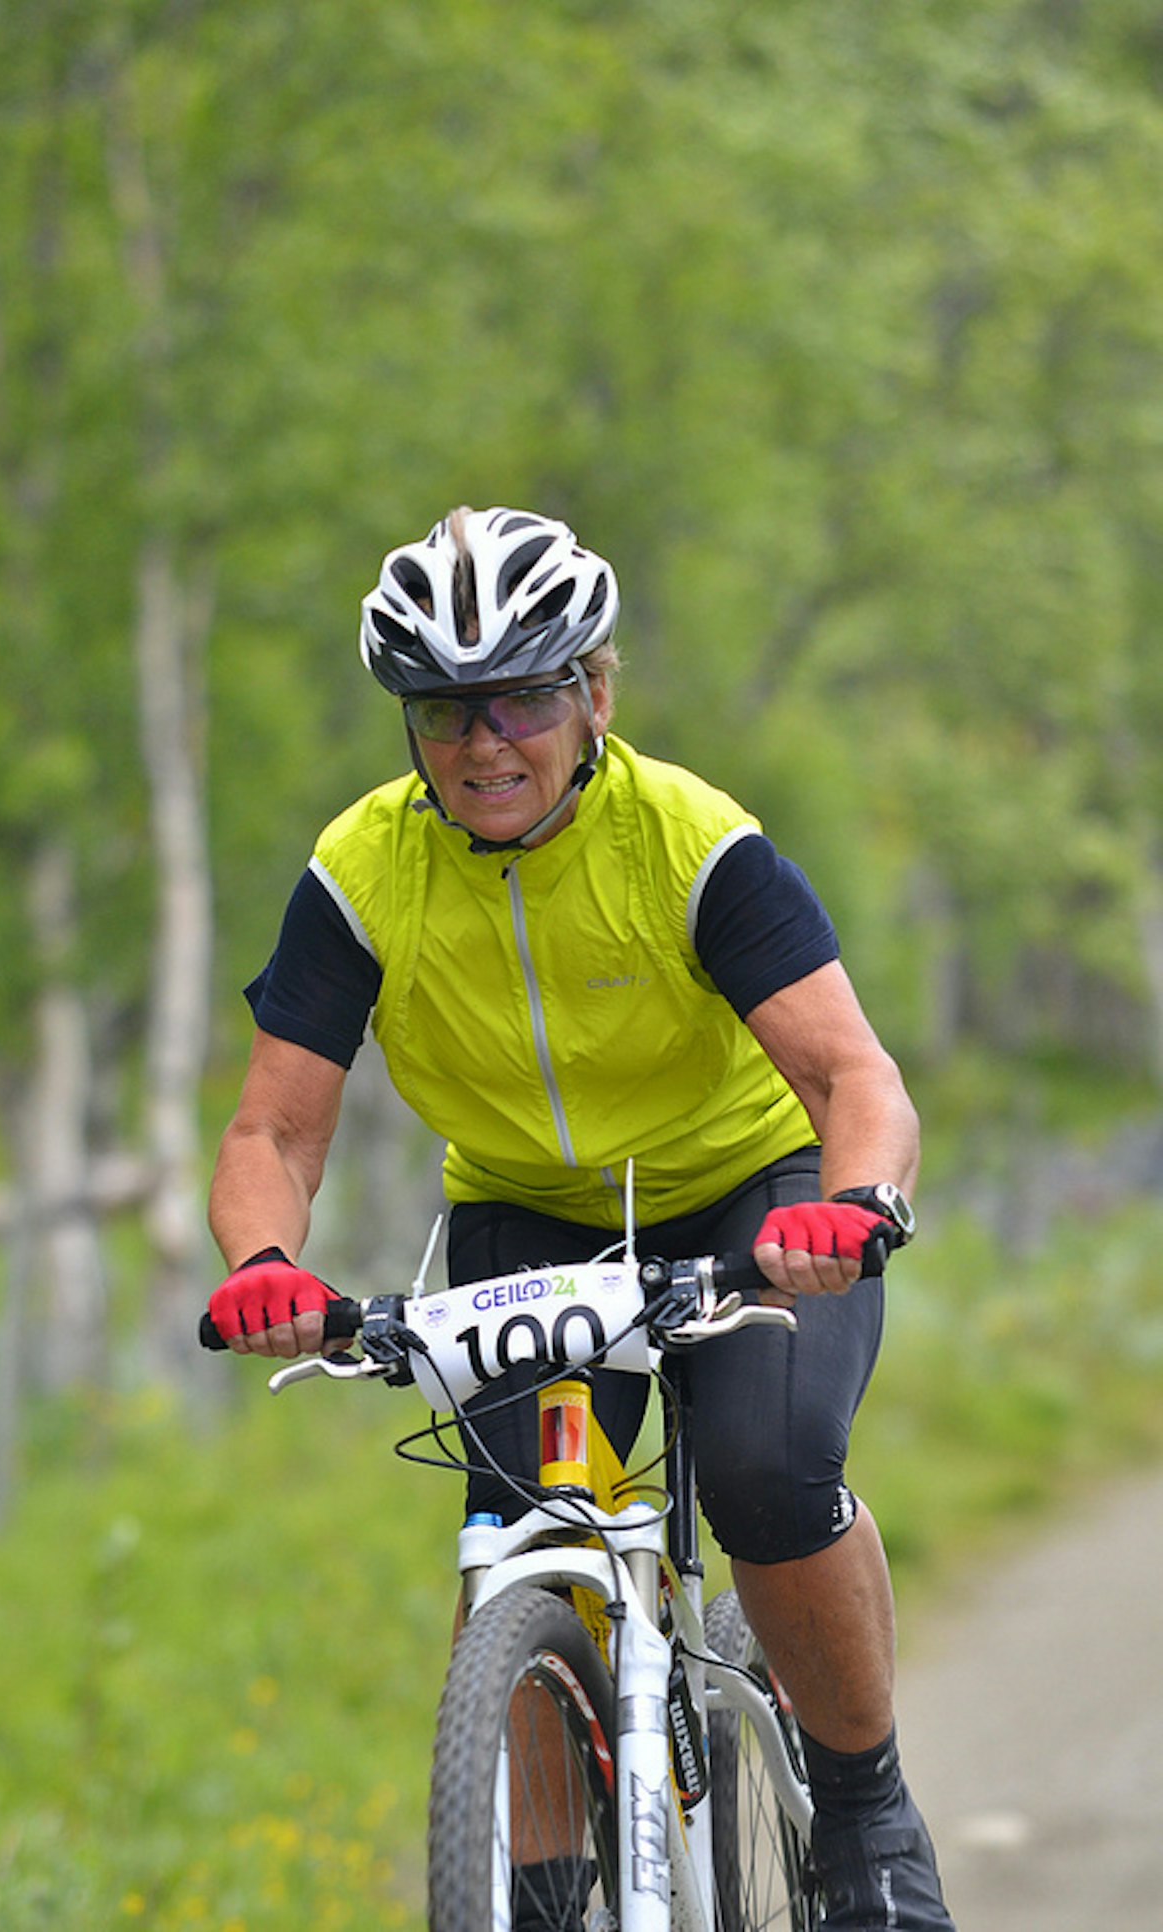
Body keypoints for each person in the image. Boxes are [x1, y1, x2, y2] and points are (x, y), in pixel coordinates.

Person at [206, 505, 956, 1932]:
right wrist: (261, 1262)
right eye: (443, 712)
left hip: (755, 1197)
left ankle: (867, 1815)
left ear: (594, 693)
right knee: (521, 1528)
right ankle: (532, 1892)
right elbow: (273, 1129)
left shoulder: (688, 841)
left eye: (523, 698)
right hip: (529, 1219)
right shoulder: (363, 873)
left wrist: (853, 1203)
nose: (484, 743)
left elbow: (854, 1075)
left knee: (765, 1467)